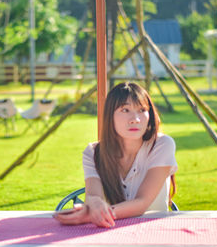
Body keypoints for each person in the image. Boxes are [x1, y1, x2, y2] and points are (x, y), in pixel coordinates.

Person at [54, 82, 177, 228]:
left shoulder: (162, 145)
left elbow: (142, 202)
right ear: (109, 116)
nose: (135, 119)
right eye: (125, 110)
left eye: (142, 110)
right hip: (110, 232)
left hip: (156, 232)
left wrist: (94, 214)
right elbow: (94, 195)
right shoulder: (94, 153)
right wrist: (94, 204)